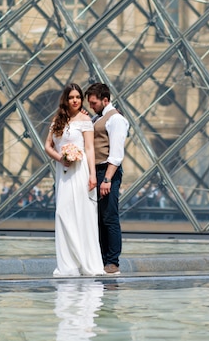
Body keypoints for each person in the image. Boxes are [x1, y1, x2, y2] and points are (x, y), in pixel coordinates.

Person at [45, 83, 105, 277]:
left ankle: (84, 261)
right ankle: (69, 264)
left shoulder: (85, 120)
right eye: (71, 97)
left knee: (82, 215)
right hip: (63, 174)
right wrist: (60, 158)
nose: (75, 100)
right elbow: (48, 146)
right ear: (66, 99)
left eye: (78, 97)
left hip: (80, 173)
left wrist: (93, 175)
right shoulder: (58, 120)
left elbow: (89, 149)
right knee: (63, 214)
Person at [85, 82, 129, 275]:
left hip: (107, 172)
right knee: (99, 218)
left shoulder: (116, 119)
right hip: (97, 172)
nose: (91, 106)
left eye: (93, 103)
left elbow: (117, 154)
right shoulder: (97, 117)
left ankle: (112, 261)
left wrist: (107, 179)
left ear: (105, 99)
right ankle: (103, 258)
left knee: (109, 217)